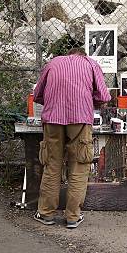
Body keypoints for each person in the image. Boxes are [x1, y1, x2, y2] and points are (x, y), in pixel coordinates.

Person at [32, 47, 111, 229]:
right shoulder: (91, 64)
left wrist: (55, 100)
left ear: (69, 54)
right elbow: (103, 96)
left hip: (53, 119)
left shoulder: (53, 63)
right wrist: (89, 100)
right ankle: (73, 217)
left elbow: (37, 95)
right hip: (80, 120)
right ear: (82, 54)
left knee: (52, 165)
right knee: (79, 166)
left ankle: (46, 214)